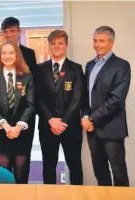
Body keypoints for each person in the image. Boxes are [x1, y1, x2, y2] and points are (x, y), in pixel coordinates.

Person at [81, 26, 131, 187]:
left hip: (112, 128)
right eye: (95, 40)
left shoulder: (122, 65)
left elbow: (116, 100)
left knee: (119, 172)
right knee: (100, 171)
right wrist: (84, 116)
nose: (97, 44)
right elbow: (85, 95)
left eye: (101, 41)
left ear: (111, 42)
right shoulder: (90, 65)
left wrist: (92, 119)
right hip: (92, 130)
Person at [0, 17, 37, 183]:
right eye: (4, 53)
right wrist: (5, 125)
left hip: (22, 129)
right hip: (1, 129)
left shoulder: (27, 76)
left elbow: (31, 103)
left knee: (21, 175)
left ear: (17, 55)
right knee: (3, 176)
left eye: (11, 53)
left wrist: (18, 126)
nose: (8, 56)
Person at [36, 30, 84, 185]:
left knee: (74, 165)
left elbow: (77, 99)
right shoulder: (39, 69)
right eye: (53, 43)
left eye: (60, 43)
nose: (57, 46)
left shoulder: (76, 68)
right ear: (49, 46)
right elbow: (37, 98)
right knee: (49, 166)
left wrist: (63, 122)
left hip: (71, 126)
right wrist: (50, 119)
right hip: (47, 126)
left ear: (66, 45)